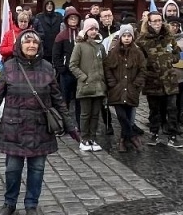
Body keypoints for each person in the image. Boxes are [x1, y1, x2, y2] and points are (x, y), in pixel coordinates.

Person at [0, 30, 75, 215]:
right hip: (14, 130)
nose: (31, 45)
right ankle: (9, 202)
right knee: (12, 170)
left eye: (35, 42)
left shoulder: (47, 68)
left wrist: (71, 127)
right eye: (27, 42)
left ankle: (31, 204)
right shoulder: (9, 67)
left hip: (40, 129)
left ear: (39, 46)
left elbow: (58, 100)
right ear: (20, 45)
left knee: (37, 170)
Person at [137, 9, 183, 148]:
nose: (157, 23)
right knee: (154, 109)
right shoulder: (142, 40)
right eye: (154, 21)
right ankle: (154, 133)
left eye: (159, 20)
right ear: (149, 23)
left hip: (169, 79)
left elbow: (177, 54)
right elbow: (140, 60)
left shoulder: (169, 37)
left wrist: (171, 59)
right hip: (153, 80)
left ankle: (172, 135)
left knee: (172, 108)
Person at [103, 23, 145, 152]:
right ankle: (132, 136)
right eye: (124, 36)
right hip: (117, 90)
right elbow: (108, 68)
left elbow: (142, 70)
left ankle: (123, 141)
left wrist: (137, 84)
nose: (126, 38)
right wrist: (112, 83)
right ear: (120, 37)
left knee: (128, 116)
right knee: (121, 116)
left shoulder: (137, 53)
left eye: (129, 36)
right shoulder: (113, 52)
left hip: (131, 89)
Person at [69, 18, 108, 151]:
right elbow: (73, 65)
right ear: (86, 31)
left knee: (95, 114)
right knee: (85, 114)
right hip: (85, 86)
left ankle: (92, 137)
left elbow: (105, 65)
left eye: (96, 29)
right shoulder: (79, 46)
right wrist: (83, 77)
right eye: (91, 29)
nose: (94, 31)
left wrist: (104, 81)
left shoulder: (100, 46)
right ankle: (84, 138)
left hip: (98, 87)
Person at [52, 8, 83, 105]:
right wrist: (62, 69)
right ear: (66, 20)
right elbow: (56, 54)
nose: (73, 20)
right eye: (71, 18)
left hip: (80, 72)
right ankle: (65, 119)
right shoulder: (61, 36)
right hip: (66, 72)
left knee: (79, 99)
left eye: (75, 18)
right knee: (65, 99)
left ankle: (79, 120)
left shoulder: (83, 35)